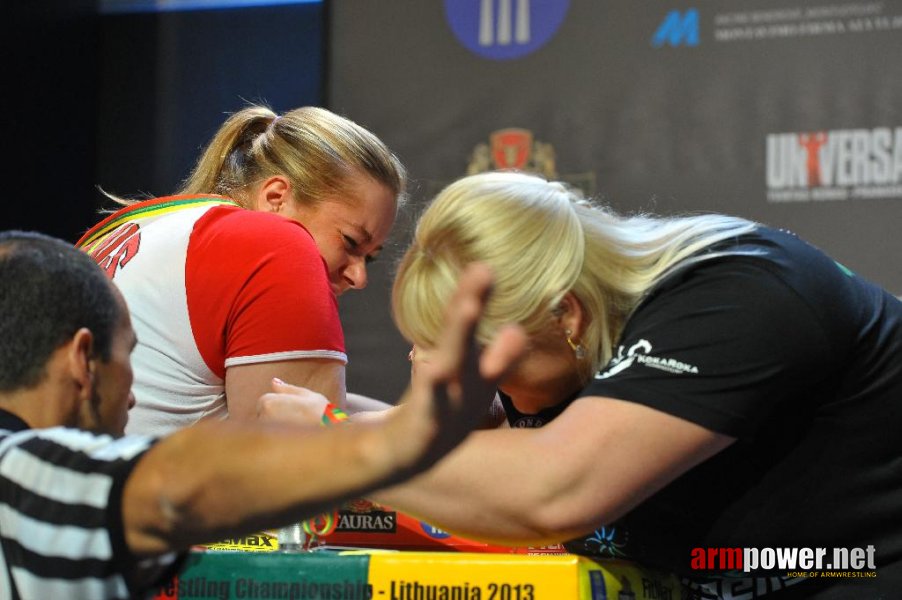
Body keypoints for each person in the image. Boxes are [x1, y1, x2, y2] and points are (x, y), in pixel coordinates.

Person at [377, 171, 902, 599]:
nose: (488, 390)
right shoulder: (576, 344)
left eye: (494, 369)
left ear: (566, 314)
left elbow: (554, 493)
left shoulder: (739, 293)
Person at [0, 230, 525, 599]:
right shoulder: (21, 473)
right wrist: (395, 438)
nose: (133, 396)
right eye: (128, 357)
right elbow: (174, 482)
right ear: (82, 360)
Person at [77, 105, 405, 436]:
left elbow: (312, 412)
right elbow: (312, 460)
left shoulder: (145, 224)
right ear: (276, 197)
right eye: (350, 242)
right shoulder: (278, 245)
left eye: (370, 257)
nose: (359, 277)